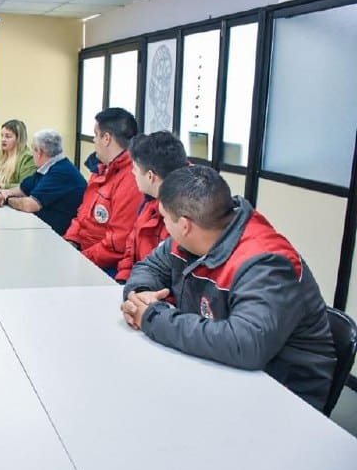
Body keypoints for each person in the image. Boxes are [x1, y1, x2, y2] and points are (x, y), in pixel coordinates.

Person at [121, 165, 336, 411]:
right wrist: (140, 294)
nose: (162, 224)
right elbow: (150, 266)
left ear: (185, 225)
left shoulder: (265, 263)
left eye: (164, 217)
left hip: (281, 395)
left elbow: (245, 343)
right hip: (219, 370)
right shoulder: (195, 235)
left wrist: (153, 317)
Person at [64, 107, 142, 276]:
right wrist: (70, 241)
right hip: (87, 255)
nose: (93, 140)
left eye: (95, 135)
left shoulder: (132, 179)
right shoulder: (100, 169)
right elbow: (82, 215)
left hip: (107, 266)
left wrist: (80, 260)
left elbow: (117, 244)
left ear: (106, 138)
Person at [115, 131, 187, 282]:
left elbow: (173, 281)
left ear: (150, 176)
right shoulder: (150, 201)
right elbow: (131, 246)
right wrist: (123, 280)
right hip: (135, 285)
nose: (132, 172)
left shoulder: (182, 216)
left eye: (134, 168)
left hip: (154, 296)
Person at [0, 129, 86, 236]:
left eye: (33, 149)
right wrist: (4, 194)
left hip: (61, 236)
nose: (31, 153)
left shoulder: (61, 171)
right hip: (45, 228)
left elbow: (29, 205)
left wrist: (7, 200)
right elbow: (23, 188)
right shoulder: (47, 167)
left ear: (39, 152)